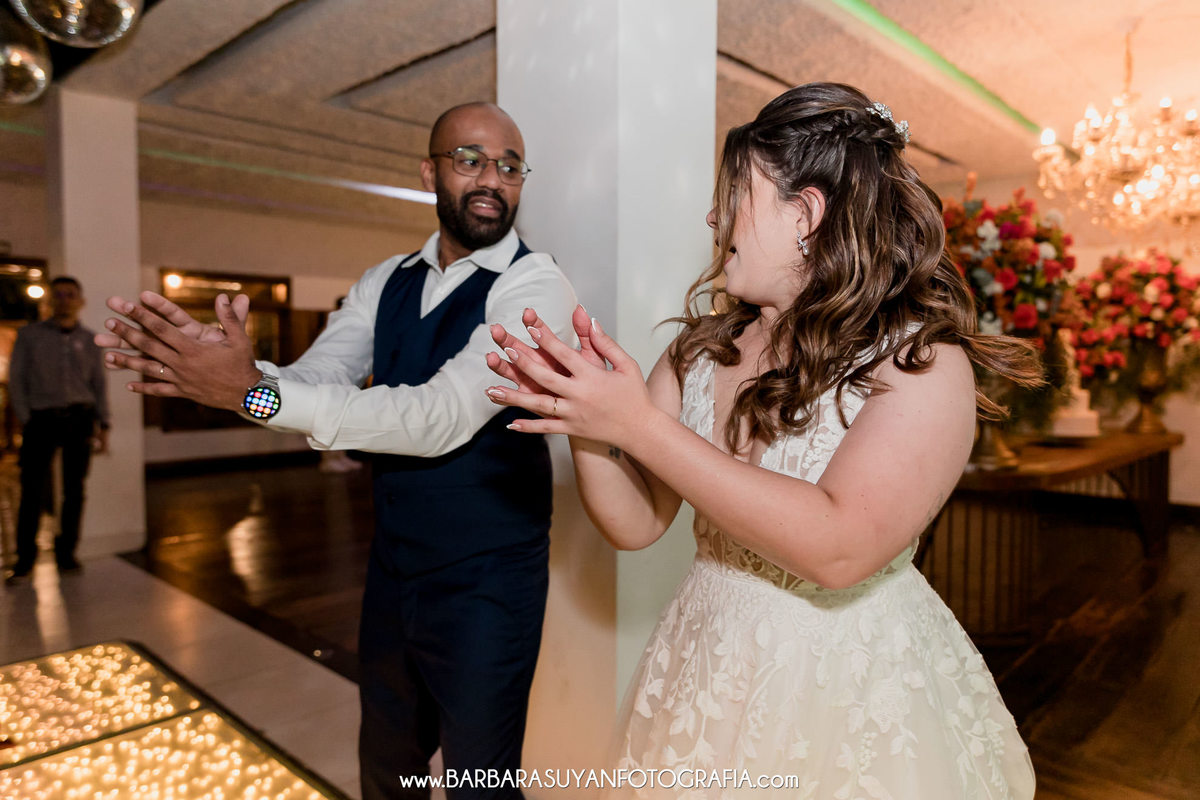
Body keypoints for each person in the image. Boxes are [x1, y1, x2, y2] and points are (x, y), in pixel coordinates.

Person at [485, 83, 1039, 798]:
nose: (712, 218)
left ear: (805, 214)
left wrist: (639, 426)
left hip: (842, 681)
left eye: (733, 196)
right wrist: (585, 420)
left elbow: (840, 548)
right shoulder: (698, 352)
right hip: (704, 653)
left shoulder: (919, 363)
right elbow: (635, 523)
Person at [96, 102, 577, 800]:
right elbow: (319, 376)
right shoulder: (385, 280)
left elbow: (440, 417)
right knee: (387, 763)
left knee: (480, 781)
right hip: (393, 565)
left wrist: (251, 395)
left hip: (489, 577)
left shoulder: (535, 286)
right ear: (429, 173)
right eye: (469, 160)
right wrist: (241, 376)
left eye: (509, 166)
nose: (491, 180)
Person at [6, 276, 109, 583]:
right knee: (32, 490)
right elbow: (16, 379)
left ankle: (67, 554)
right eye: (59, 295)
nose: (64, 300)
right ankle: (25, 559)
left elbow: (98, 383)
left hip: (79, 419)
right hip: (42, 419)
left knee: (75, 489)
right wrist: (26, 418)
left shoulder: (90, 340)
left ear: (80, 301)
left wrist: (103, 423)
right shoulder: (29, 336)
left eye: (70, 295)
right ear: (50, 300)